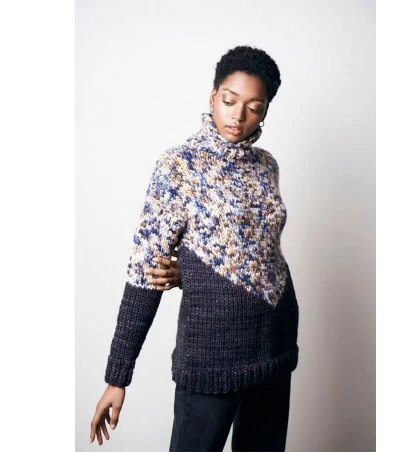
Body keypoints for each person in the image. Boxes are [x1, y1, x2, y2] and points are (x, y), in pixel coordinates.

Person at [90, 45, 300, 451]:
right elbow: (145, 272)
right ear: (212, 96)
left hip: (275, 347)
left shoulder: (266, 165)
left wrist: (191, 272)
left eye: (254, 107)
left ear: (266, 111)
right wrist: (118, 376)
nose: (238, 116)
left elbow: (255, 254)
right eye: (229, 101)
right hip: (211, 355)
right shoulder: (179, 165)